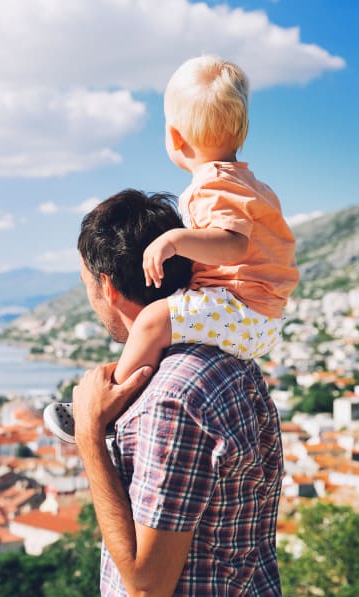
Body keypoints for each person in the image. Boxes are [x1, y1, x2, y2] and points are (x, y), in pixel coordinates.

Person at [44, 55, 298, 443]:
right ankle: (115, 383)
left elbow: (233, 246)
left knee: (153, 320)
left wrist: (174, 240)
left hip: (246, 312)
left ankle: (108, 414)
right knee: (164, 324)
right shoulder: (252, 185)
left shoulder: (211, 186)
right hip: (260, 315)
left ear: (176, 138)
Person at [70, 188, 283, 596]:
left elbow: (146, 586)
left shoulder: (174, 399)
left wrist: (89, 434)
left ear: (107, 287)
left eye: (86, 283)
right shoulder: (227, 358)